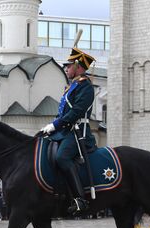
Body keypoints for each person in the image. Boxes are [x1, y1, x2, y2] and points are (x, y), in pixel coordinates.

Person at [40, 43, 96, 214]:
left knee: (62, 157)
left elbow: (76, 112)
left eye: (69, 66)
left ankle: (80, 199)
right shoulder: (72, 86)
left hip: (78, 132)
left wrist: (55, 125)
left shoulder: (86, 87)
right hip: (65, 130)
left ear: (78, 67)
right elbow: (62, 113)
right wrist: (50, 126)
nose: (66, 69)